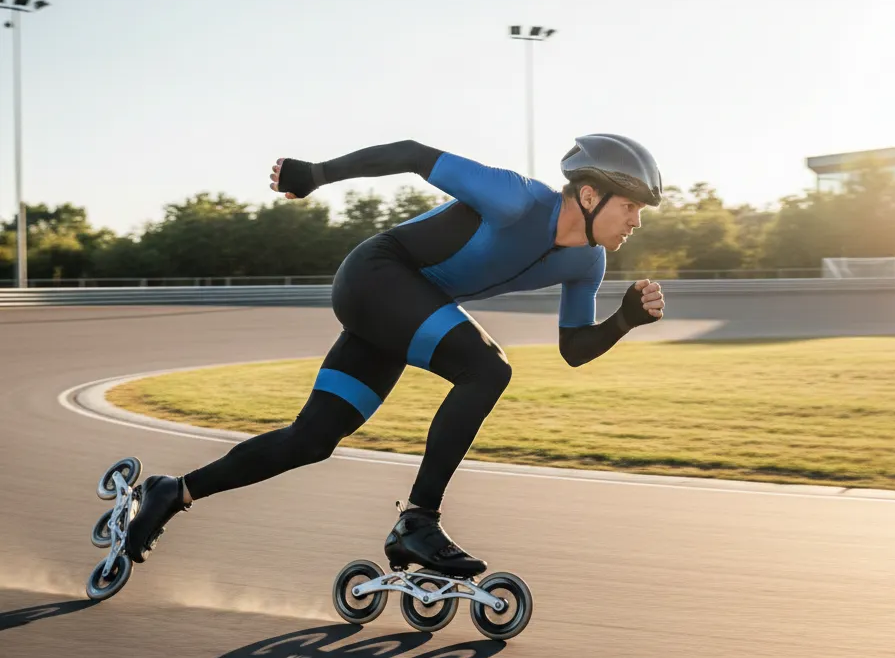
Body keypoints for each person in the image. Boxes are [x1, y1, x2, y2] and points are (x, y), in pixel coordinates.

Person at [124, 134, 666, 576]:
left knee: (312, 440)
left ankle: (174, 490)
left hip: (400, 311)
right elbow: (412, 153)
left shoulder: (586, 265)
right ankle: (418, 522)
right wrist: (315, 174)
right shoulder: (517, 198)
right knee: (485, 369)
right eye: (631, 206)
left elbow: (573, 349)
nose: (636, 221)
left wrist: (622, 322)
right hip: (377, 277)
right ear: (590, 196)